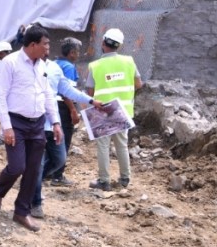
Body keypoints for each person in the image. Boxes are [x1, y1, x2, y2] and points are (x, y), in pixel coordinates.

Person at [0, 24, 60, 233]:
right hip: (16, 122)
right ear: (33, 44)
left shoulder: (42, 66)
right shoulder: (10, 63)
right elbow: (0, 96)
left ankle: (22, 211)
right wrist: (7, 127)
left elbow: (47, 95)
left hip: (37, 123)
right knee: (18, 166)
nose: (48, 48)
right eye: (45, 44)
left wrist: (55, 122)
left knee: (33, 170)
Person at [30, 53, 102, 217]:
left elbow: (68, 90)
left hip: (53, 123)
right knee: (38, 165)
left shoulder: (54, 68)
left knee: (59, 159)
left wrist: (91, 101)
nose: (47, 48)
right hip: (33, 124)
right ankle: (35, 202)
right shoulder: (21, 67)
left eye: (48, 44)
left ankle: (33, 181)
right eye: (44, 44)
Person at [87, 28, 143, 191]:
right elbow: (138, 84)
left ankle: (104, 181)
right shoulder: (129, 61)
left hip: (103, 110)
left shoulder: (95, 66)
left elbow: (90, 92)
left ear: (103, 43)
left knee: (103, 146)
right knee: (122, 145)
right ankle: (125, 178)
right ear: (119, 45)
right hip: (123, 110)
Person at [50, 37, 82, 186]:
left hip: (52, 106)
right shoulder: (69, 67)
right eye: (77, 52)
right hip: (63, 106)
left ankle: (48, 172)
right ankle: (58, 175)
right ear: (71, 53)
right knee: (64, 139)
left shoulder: (54, 64)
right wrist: (73, 110)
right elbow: (66, 92)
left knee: (52, 140)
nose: (78, 55)